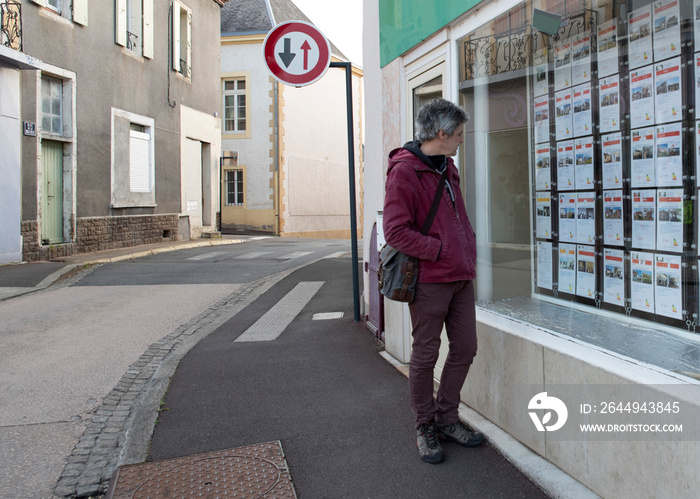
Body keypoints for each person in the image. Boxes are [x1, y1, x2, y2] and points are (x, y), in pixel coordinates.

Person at [382, 98, 484, 464]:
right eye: (458, 134)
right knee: (425, 355)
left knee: (466, 348)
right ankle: (425, 425)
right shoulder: (405, 172)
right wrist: (439, 249)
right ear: (441, 134)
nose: (461, 140)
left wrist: (465, 249)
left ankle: (446, 417)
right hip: (429, 280)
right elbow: (395, 231)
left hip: (461, 276)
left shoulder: (448, 167)